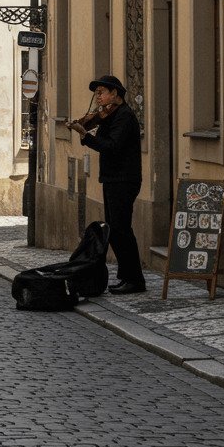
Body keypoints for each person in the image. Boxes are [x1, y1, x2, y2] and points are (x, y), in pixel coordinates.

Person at [68, 75, 146, 294]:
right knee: (116, 230)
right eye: (97, 93)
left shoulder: (124, 117)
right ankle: (127, 277)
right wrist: (87, 128)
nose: (98, 96)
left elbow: (111, 146)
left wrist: (86, 135)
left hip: (124, 179)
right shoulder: (109, 116)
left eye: (102, 92)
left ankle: (135, 280)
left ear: (115, 94)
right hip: (113, 178)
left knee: (122, 229)